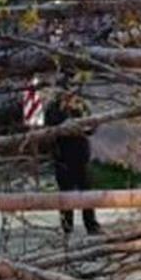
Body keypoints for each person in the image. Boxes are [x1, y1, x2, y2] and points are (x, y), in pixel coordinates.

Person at [44, 82, 101, 235]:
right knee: (65, 193)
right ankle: (67, 227)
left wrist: (86, 127)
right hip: (62, 156)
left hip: (81, 155)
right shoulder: (53, 108)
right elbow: (50, 129)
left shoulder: (80, 105)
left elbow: (93, 125)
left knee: (87, 191)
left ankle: (91, 225)